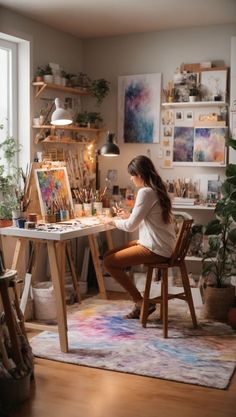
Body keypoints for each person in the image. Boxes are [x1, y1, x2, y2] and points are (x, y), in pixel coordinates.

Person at [103, 155, 176, 319]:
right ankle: (142, 302)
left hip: (156, 249)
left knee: (108, 262)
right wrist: (129, 214)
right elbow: (149, 220)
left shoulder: (145, 192)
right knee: (108, 256)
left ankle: (141, 302)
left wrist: (111, 221)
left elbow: (130, 227)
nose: (130, 177)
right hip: (160, 245)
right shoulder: (157, 189)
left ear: (140, 175)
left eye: (132, 174)